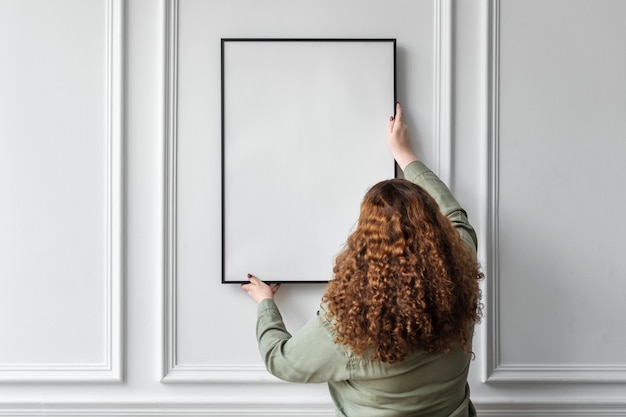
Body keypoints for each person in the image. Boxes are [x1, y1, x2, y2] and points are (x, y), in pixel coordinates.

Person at [241, 102, 482, 417]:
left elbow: (282, 361)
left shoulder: (348, 324)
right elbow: (455, 216)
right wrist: (405, 154)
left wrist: (265, 303)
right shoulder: (460, 272)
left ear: (365, 242)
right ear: (434, 226)